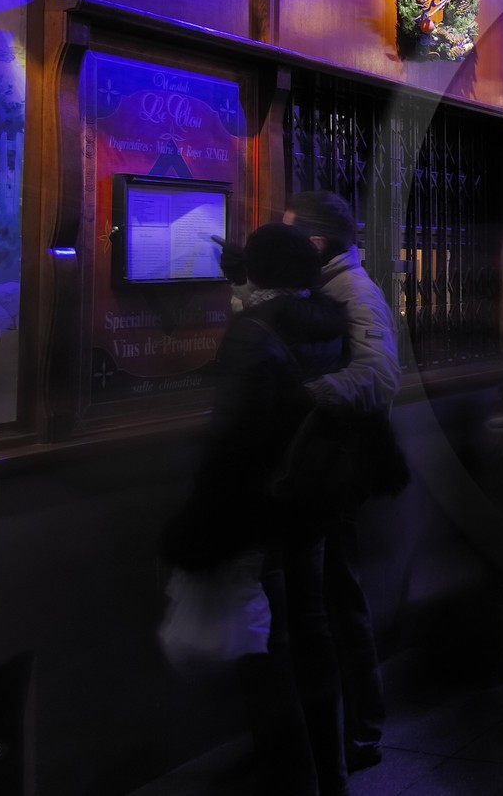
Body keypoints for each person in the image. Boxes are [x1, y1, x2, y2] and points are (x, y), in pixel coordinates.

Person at [166, 224, 351, 795]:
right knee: (313, 635)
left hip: (261, 510)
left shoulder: (252, 332)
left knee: (267, 652)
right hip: (310, 501)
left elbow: (234, 439)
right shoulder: (326, 322)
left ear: (259, 271)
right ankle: (332, 773)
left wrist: (202, 526)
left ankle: (291, 781)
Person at [281, 191, 404, 773]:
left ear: (315, 241)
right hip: (326, 463)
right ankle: (349, 730)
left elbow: (380, 374)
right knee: (333, 598)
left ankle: (360, 731)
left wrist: (309, 394)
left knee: (338, 599)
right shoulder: (325, 286)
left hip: (337, 463)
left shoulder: (352, 291)